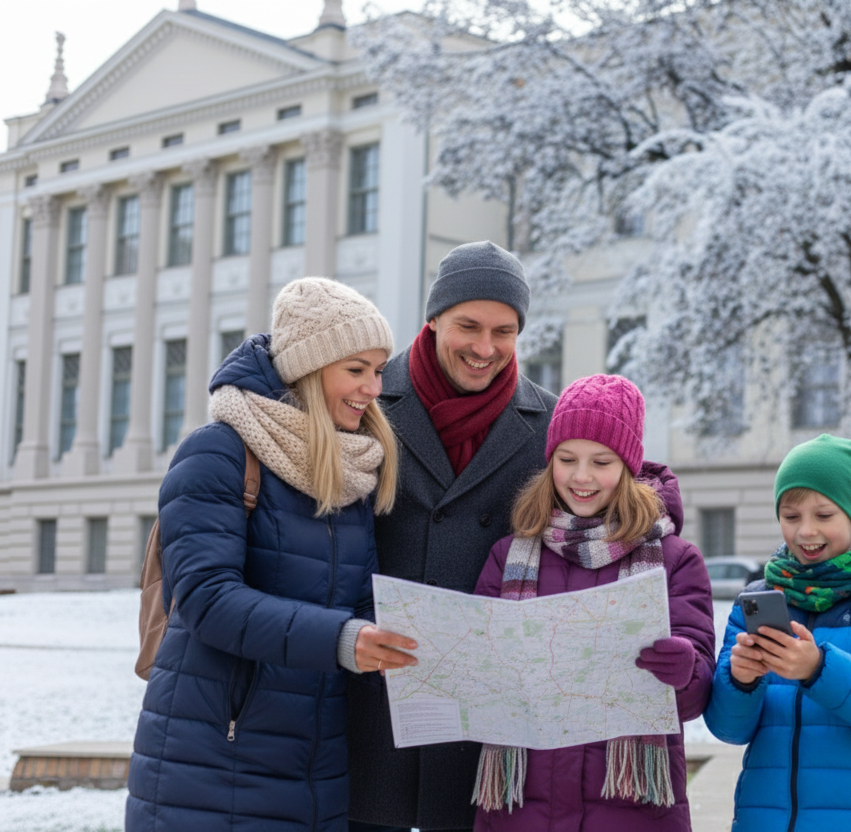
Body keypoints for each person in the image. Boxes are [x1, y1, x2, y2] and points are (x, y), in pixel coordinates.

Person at [126, 277, 419, 832]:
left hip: (315, 766)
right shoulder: (218, 452)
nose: (374, 388)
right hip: (213, 761)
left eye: (379, 370)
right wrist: (343, 639)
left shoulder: (348, 469)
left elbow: (359, 603)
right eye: (356, 369)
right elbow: (208, 599)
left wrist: (420, 646)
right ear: (310, 368)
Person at [347, 241, 559, 832]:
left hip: (482, 717)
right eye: (468, 326)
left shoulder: (549, 423)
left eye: (504, 331)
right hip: (370, 701)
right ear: (435, 317)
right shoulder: (366, 400)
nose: (485, 348)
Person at [470, 373, 715, 831]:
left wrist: (684, 669)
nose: (581, 477)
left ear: (627, 467)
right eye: (567, 459)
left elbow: (697, 694)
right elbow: (476, 673)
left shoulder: (675, 560)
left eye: (601, 462)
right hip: (520, 812)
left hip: (632, 813)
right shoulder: (508, 555)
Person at [703, 434, 851, 832]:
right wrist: (740, 680)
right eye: (791, 516)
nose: (806, 531)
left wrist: (818, 669)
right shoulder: (758, 600)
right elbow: (729, 729)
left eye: (824, 515)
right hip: (765, 821)